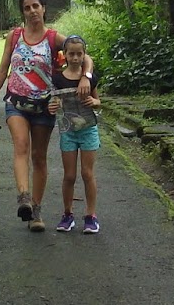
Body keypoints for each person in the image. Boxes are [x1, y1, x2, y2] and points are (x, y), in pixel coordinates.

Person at [0, 0, 92, 232]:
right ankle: (23, 196)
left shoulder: (54, 38)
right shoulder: (14, 37)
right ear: (22, 12)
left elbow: (85, 56)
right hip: (16, 103)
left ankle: (36, 210)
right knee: (21, 145)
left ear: (44, 8)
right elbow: (3, 69)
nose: (32, 11)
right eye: (27, 8)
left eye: (36, 6)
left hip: (45, 106)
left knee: (39, 157)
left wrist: (85, 77)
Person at [48, 34, 102, 234]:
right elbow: (52, 103)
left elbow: (98, 101)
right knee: (69, 175)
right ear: (65, 55)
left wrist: (94, 102)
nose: (76, 58)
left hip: (88, 130)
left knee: (87, 173)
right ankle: (67, 214)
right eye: (72, 54)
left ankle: (91, 215)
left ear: (84, 55)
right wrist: (52, 107)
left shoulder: (90, 79)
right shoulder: (58, 79)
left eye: (80, 54)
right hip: (68, 131)